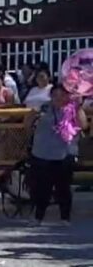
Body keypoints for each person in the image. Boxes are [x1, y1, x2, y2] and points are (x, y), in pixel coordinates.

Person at [26, 85, 89, 225]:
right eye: (55, 95)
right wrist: (34, 114)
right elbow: (27, 124)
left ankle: (64, 217)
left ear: (68, 96)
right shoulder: (44, 108)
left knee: (63, 188)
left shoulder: (73, 109)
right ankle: (38, 217)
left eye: (62, 95)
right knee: (41, 188)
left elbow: (83, 125)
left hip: (65, 154)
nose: (59, 98)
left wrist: (78, 107)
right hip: (43, 153)